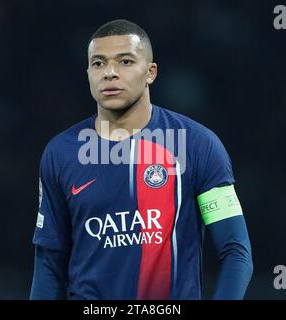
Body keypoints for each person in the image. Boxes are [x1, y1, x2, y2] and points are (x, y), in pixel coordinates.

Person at [30, 19, 253, 300]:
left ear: (150, 72)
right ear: (88, 73)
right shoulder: (60, 153)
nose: (110, 73)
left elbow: (236, 250)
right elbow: (49, 263)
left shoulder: (197, 145)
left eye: (125, 61)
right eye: (98, 63)